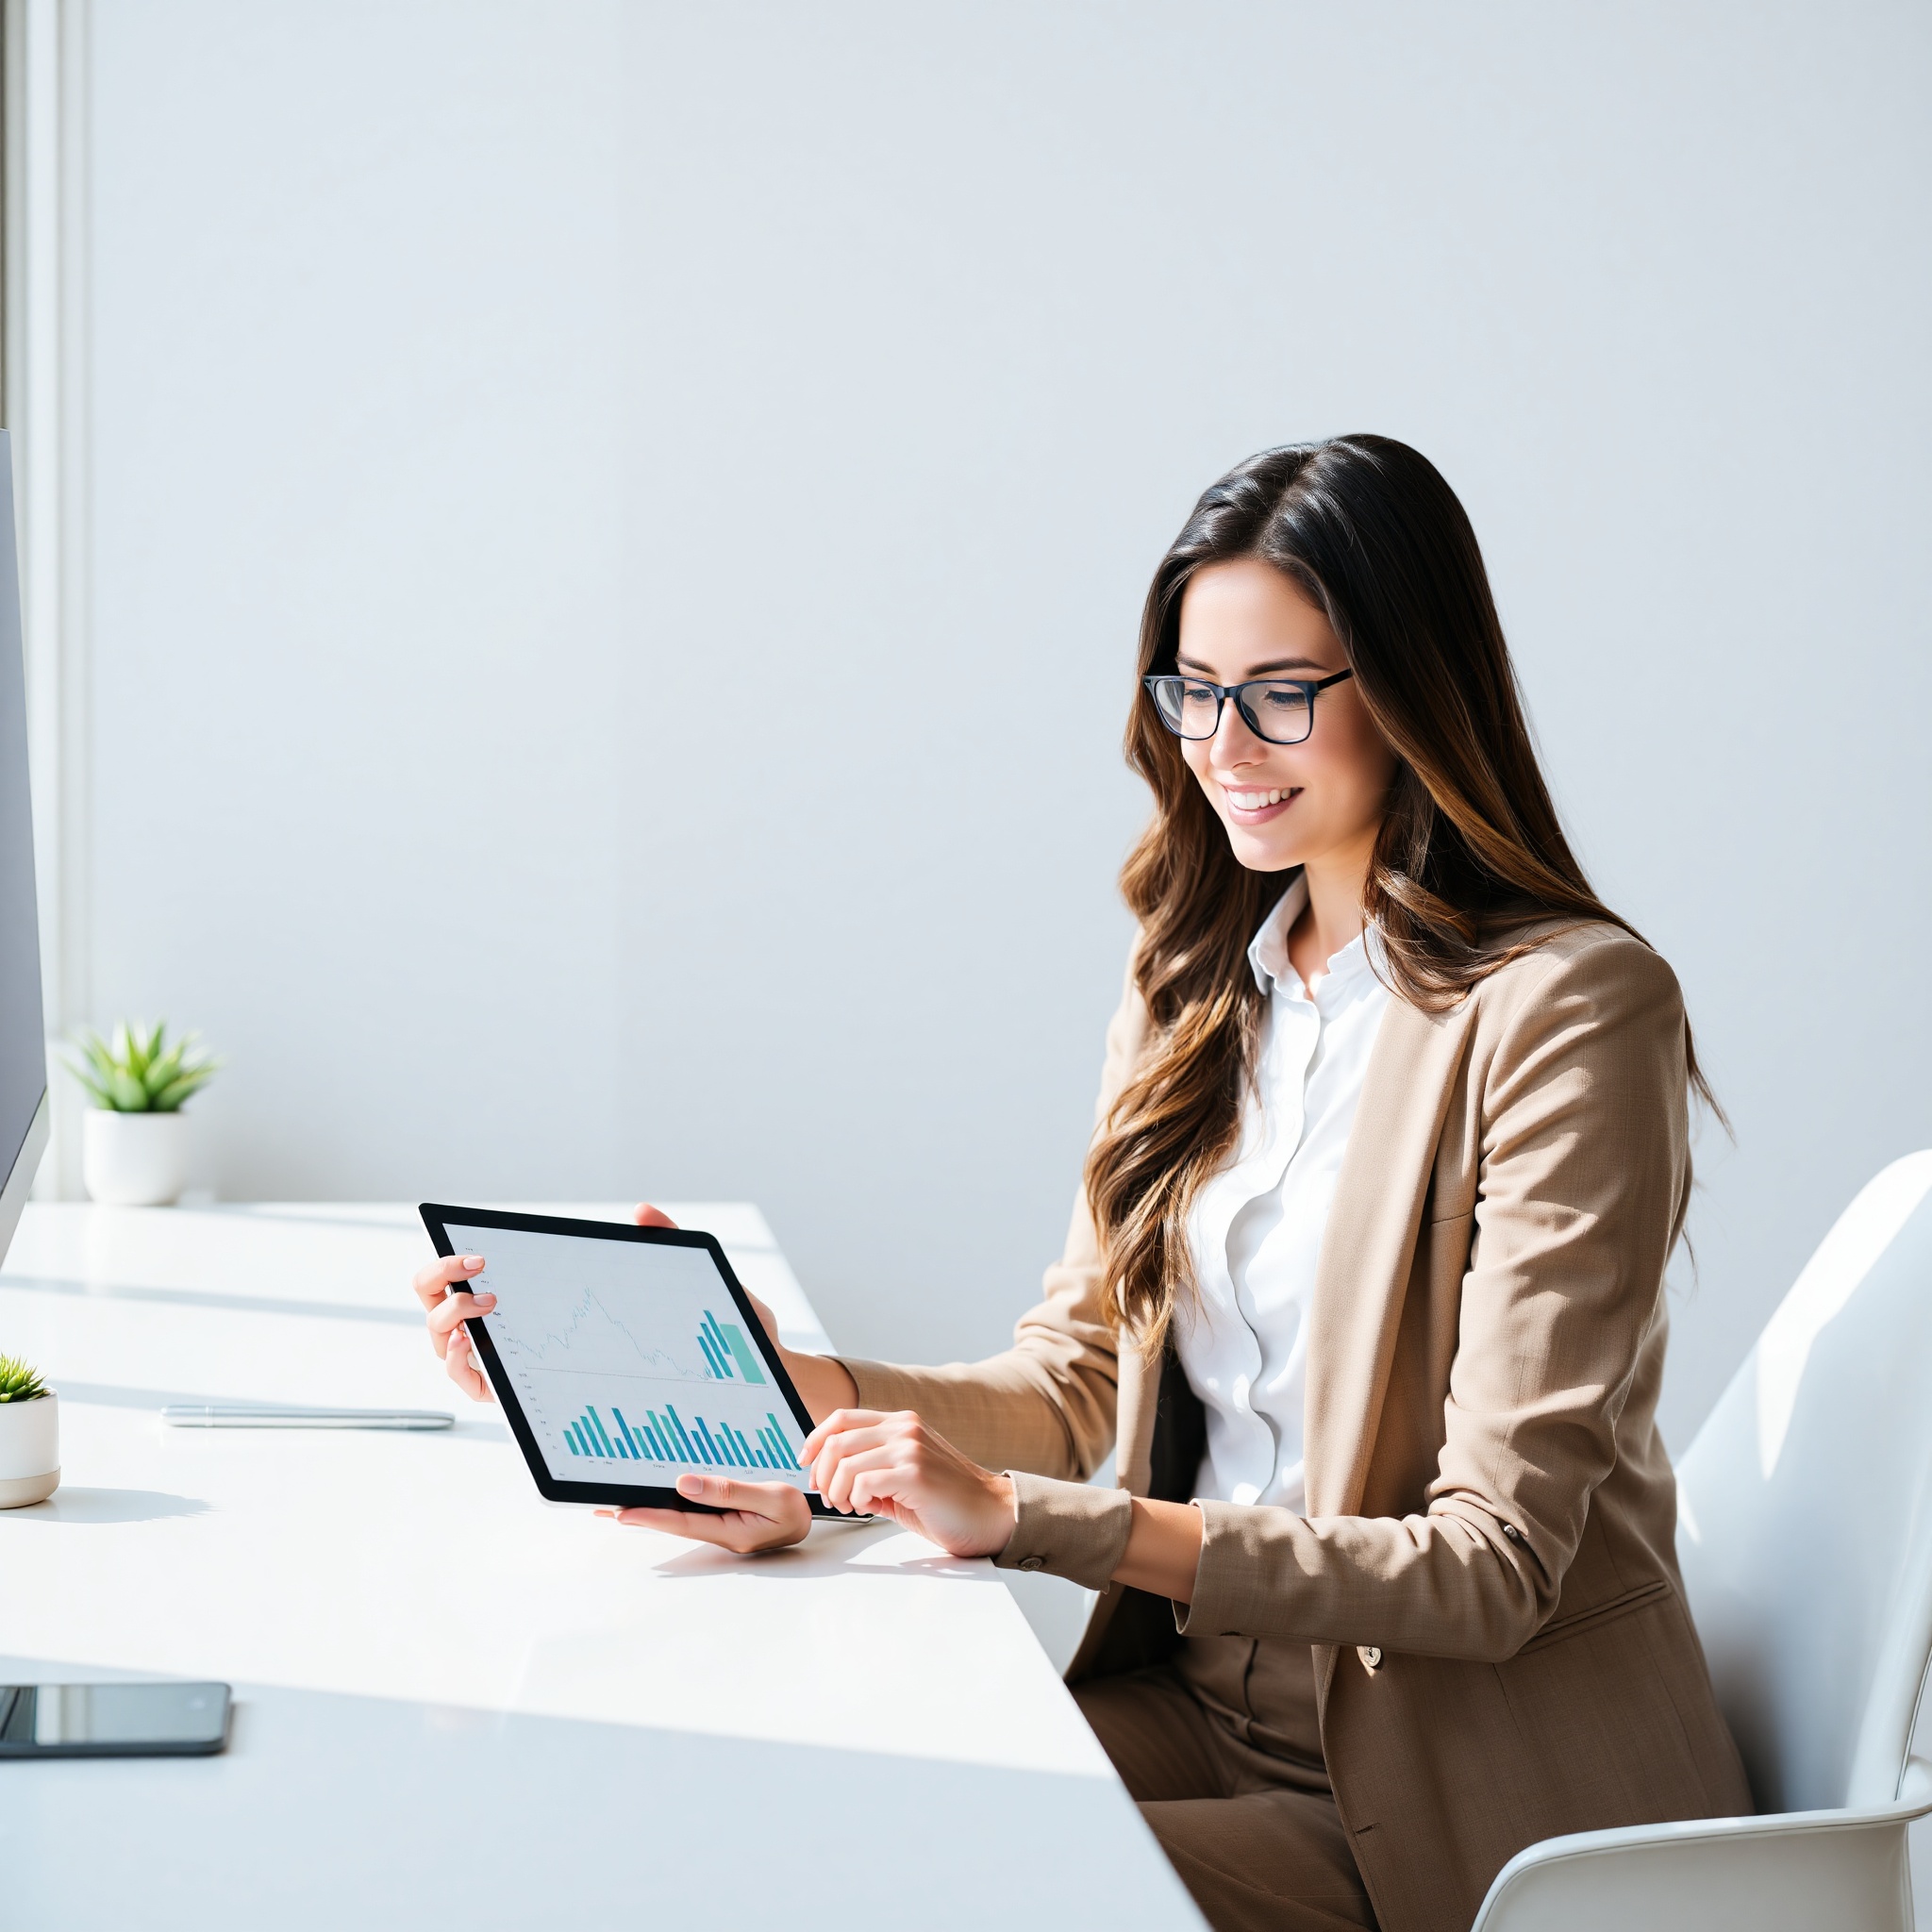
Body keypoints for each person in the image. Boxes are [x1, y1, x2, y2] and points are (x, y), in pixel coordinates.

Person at [414, 436, 1752, 1932]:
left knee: (934, 1884)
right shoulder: (1198, 981)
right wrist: (776, 1398)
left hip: (1454, 1798)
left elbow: (1490, 1568)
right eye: (1193, 692)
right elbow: (1080, 1371)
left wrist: (1031, 1519)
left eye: (1282, 695)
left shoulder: (1570, 1009)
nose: (1224, 744)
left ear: (1414, 688)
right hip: (1204, 1701)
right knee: (804, 1797)